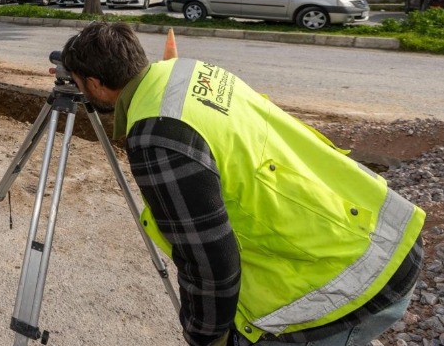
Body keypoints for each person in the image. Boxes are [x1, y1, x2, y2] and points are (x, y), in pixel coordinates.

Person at [59, 22, 424, 346]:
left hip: (348, 285)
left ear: (94, 83)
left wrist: (207, 336)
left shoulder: (157, 137)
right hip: (378, 231)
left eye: (80, 83)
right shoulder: (187, 73)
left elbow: (210, 259)